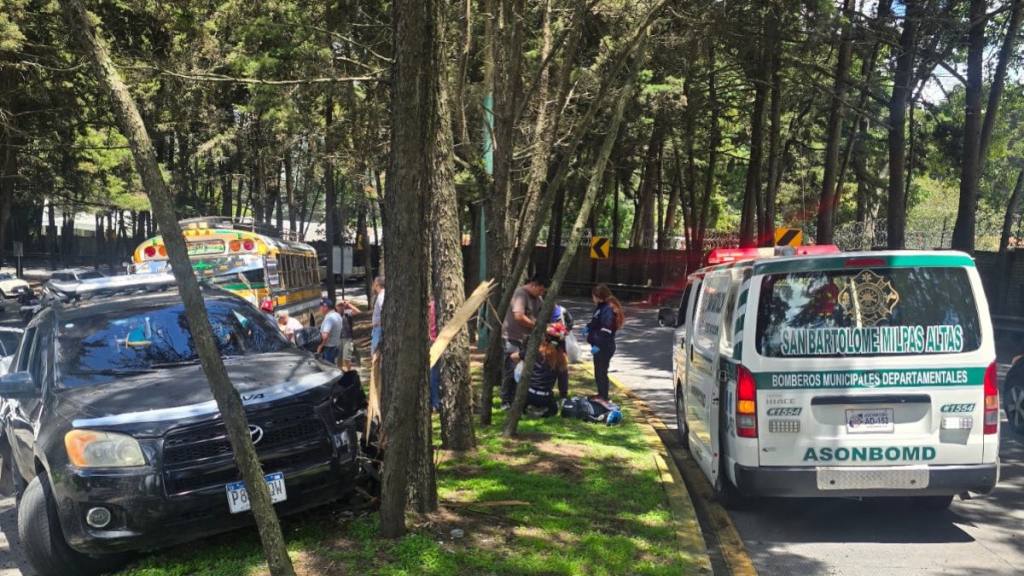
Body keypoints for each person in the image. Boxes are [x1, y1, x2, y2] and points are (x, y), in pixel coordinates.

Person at [500, 273, 548, 409]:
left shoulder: (537, 298)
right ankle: (506, 400)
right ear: (533, 284)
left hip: (526, 339)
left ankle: (518, 398)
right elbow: (519, 316)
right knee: (511, 369)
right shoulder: (520, 294)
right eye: (540, 289)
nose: (541, 293)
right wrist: (537, 326)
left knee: (523, 370)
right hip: (512, 337)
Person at [521, 323, 570, 417]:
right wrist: (563, 396)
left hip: (529, 394)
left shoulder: (535, 351)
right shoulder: (561, 359)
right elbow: (563, 381)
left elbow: (513, 357)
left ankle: (530, 408)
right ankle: (541, 410)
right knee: (553, 409)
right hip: (545, 396)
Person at [586, 284, 625, 401]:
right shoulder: (601, 307)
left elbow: (606, 329)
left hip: (604, 346)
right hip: (600, 345)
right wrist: (588, 327)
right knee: (599, 372)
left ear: (598, 296)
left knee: (601, 373)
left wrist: (598, 344)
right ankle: (601, 394)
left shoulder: (608, 309)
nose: (593, 299)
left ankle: (603, 396)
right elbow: (596, 321)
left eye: (593, 296)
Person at [317, 299, 344, 365]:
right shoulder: (337, 315)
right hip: (336, 345)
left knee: (328, 370)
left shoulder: (329, 318)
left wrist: (320, 347)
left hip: (328, 349)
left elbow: (325, 336)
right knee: (334, 368)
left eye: (320, 307)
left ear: (325, 307)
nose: (319, 309)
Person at [336, 299, 360, 371]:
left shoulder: (347, 313)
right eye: (339, 305)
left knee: (346, 358)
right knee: (338, 360)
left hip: (348, 338)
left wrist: (349, 305)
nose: (341, 307)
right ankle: (341, 376)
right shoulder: (334, 315)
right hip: (338, 339)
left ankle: (349, 373)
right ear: (336, 307)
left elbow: (358, 312)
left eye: (342, 305)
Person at [371, 276, 385, 356]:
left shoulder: (381, 296)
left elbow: (383, 309)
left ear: (377, 284)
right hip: (378, 328)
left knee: (375, 354)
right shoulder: (381, 295)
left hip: (378, 329)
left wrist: (379, 323)